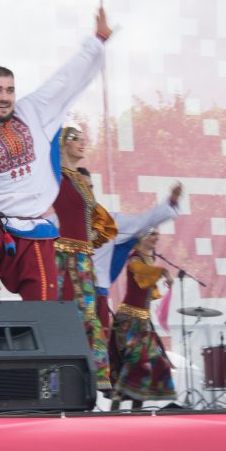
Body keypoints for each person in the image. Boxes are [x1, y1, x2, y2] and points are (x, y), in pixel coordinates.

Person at [0, 9, 112, 301]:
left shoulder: (33, 111)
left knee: (44, 304)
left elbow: (67, 79)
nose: (4, 97)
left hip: (33, 228)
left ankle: (38, 325)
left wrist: (98, 40)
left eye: (9, 90)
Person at [51, 128, 117, 391]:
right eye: (75, 138)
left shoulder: (81, 181)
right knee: (57, 311)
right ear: (62, 144)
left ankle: (94, 375)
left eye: (83, 139)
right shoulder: (52, 176)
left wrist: (91, 236)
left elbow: (103, 222)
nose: (82, 143)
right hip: (57, 256)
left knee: (88, 314)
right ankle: (53, 379)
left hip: (82, 259)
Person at [86, 168, 182, 331]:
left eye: (90, 187)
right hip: (67, 294)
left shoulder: (107, 222)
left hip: (96, 292)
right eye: (80, 185)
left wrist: (171, 202)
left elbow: (142, 221)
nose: (85, 191)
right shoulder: (56, 221)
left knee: (96, 341)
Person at [111, 229, 176, 408]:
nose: (157, 237)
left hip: (143, 321)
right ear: (142, 237)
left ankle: (136, 412)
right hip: (128, 320)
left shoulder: (149, 260)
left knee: (151, 364)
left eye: (158, 234)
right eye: (153, 234)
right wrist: (164, 272)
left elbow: (147, 282)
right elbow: (142, 273)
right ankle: (114, 411)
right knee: (136, 363)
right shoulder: (134, 259)